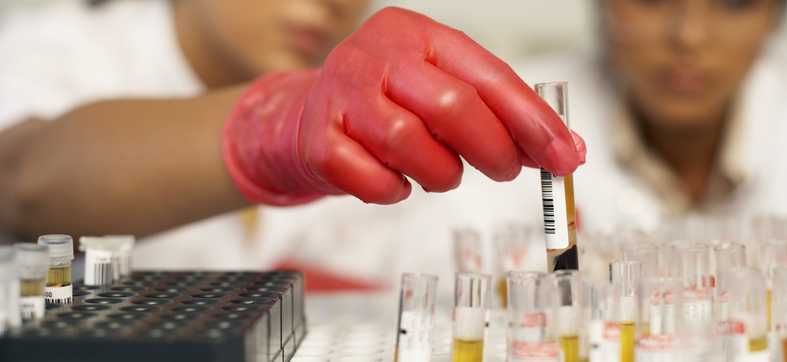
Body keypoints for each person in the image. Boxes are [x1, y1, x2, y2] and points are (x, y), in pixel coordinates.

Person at [0, 0, 584, 278]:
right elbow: (24, 181)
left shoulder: (382, 96)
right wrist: (275, 128)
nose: (334, 4)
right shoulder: (52, 52)